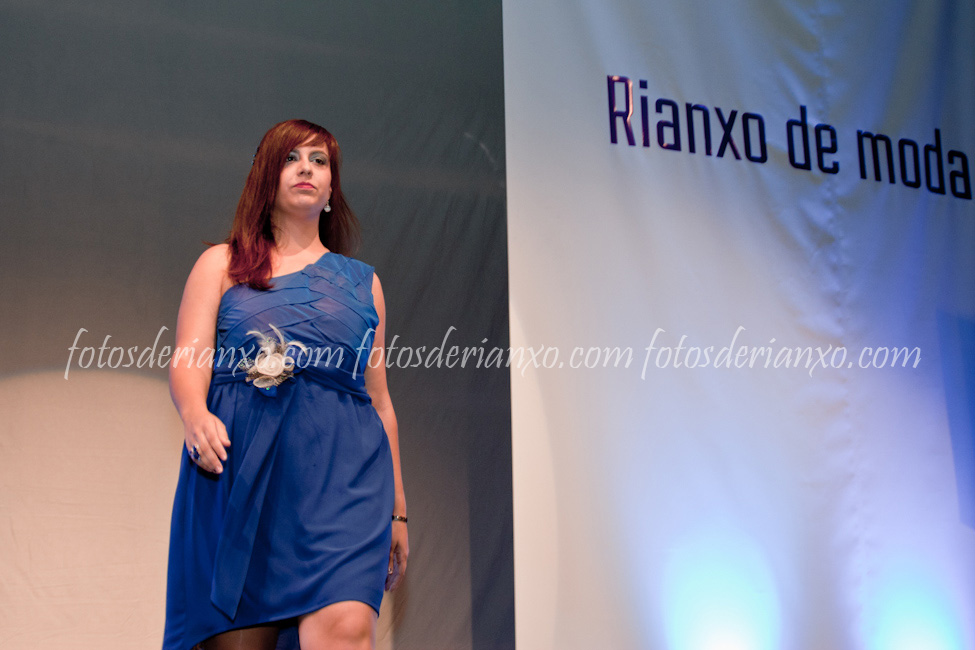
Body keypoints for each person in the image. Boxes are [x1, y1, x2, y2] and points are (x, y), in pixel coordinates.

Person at [162, 119, 408, 650]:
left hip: (344, 486)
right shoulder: (221, 264)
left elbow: (380, 403)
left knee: (346, 629)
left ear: (331, 188)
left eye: (319, 160)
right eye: (291, 158)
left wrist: (398, 511)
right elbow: (188, 360)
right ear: (265, 178)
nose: (306, 169)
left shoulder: (364, 284)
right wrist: (194, 413)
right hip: (242, 483)